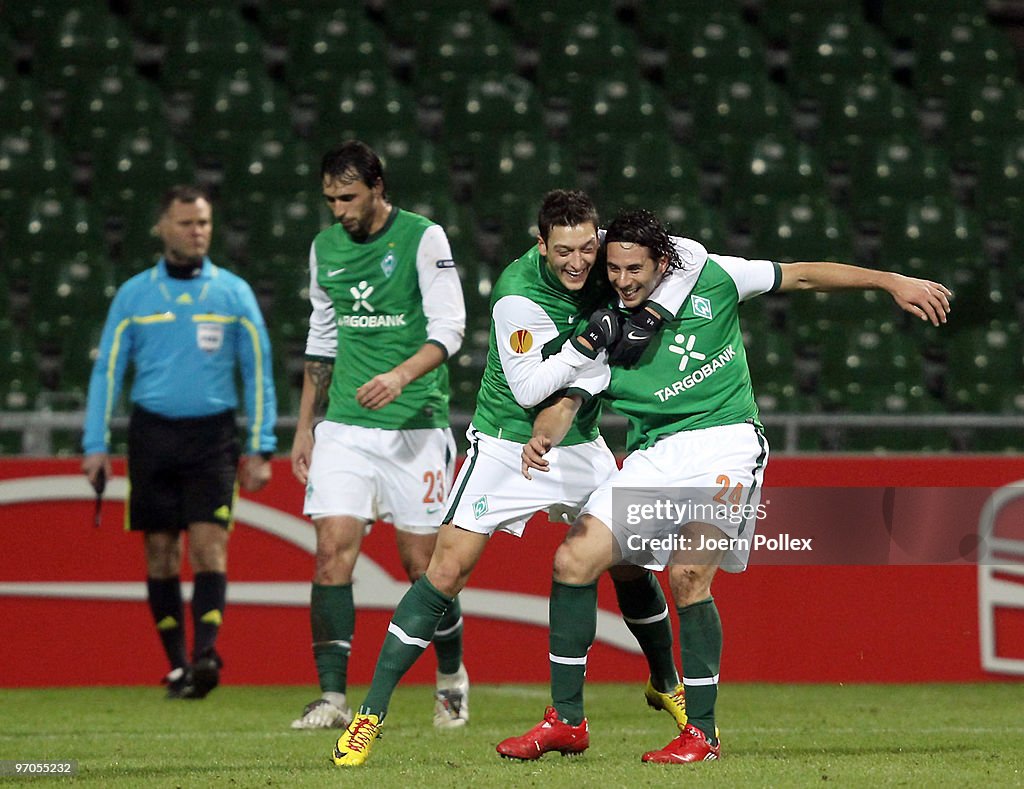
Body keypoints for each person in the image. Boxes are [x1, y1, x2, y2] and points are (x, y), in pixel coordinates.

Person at [500, 208, 953, 763]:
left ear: (663, 262)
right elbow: (570, 396)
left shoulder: (715, 276)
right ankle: (566, 721)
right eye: (614, 269)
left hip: (728, 446)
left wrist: (890, 282)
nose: (623, 280)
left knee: (688, 574)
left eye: (635, 269)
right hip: (654, 455)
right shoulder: (604, 320)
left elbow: (802, 274)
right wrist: (542, 436)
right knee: (573, 561)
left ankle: (702, 734)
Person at [330, 190, 709, 767]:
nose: (580, 263)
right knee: (444, 571)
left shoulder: (612, 262)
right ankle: (370, 717)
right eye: (564, 252)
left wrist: (647, 314)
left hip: (581, 444)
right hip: (509, 445)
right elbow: (533, 392)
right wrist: (594, 341)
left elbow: (688, 256)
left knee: (632, 561)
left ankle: (667, 685)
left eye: (588, 247)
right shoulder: (516, 296)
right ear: (541, 246)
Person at [288, 140, 469, 731]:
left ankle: (450, 681)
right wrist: (306, 427)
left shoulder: (423, 237)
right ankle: (333, 698)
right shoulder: (324, 248)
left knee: (425, 567)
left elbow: (452, 328)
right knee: (330, 553)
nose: (339, 210)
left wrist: (399, 375)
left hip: (414, 424)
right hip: (345, 425)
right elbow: (324, 335)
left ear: (377, 187)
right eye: (330, 199)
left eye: (349, 196)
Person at [81, 185, 277, 700]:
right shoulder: (134, 295)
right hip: (152, 433)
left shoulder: (233, 293)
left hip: (212, 435)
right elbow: (108, 371)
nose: (198, 232)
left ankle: (206, 653)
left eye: (205, 223)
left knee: (210, 541)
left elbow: (257, 371)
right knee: (161, 553)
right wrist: (94, 443)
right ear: (162, 228)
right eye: (188, 223)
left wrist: (260, 445)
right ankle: (177, 666)